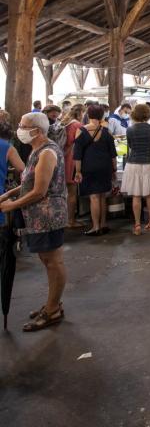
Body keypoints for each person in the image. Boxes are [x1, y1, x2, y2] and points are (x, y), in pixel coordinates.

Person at [0, 112, 67, 331]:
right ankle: (52, 304)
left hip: (48, 216)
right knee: (48, 261)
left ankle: (53, 309)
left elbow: (39, 190)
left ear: (36, 131)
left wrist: (12, 205)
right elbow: (30, 181)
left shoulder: (47, 152)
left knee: (53, 262)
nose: (19, 128)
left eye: (23, 125)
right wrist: (10, 194)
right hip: (38, 217)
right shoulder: (36, 151)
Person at [73, 105, 117, 236]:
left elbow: (77, 155)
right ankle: (103, 224)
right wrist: (114, 169)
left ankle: (95, 227)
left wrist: (78, 171)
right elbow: (113, 154)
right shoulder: (106, 131)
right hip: (105, 166)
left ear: (89, 115)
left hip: (89, 167)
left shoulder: (81, 131)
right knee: (103, 196)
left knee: (94, 197)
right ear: (101, 116)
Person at [121, 103, 150, 235]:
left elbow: (130, 146)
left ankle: (137, 225)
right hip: (149, 163)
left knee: (136, 196)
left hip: (133, 164)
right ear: (147, 114)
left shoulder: (130, 129)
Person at [61, 104, 85, 229]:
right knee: (72, 193)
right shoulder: (78, 126)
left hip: (61, 159)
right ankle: (70, 220)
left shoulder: (65, 123)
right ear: (81, 112)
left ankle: (63, 219)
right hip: (72, 160)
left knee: (63, 193)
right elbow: (82, 145)